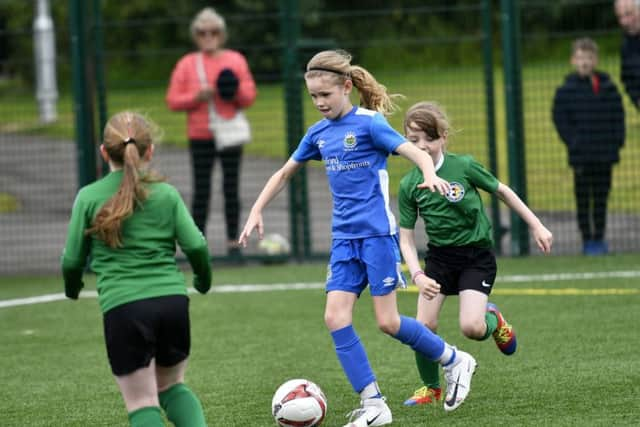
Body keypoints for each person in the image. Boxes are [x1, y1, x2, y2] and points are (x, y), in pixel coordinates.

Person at [238, 50, 477, 427]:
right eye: (313, 96)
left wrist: (429, 172)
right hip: (343, 240)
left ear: (346, 87)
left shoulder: (369, 124)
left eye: (325, 95)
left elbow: (414, 151)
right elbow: (285, 172)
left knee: (389, 322)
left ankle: (454, 359)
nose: (319, 103)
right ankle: (374, 405)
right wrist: (256, 210)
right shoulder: (317, 134)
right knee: (335, 318)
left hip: (377, 237)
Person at [397, 101, 553, 408]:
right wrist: (417, 274)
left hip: (475, 257)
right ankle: (431, 387)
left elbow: (503, 191)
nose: (422, 146)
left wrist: (536, 225)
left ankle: (493, 319)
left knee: (472, 328)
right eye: (413, 140)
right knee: (422, 326)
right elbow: (405, 238)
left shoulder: (463, 166)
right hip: (439, 259)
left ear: (443, 137)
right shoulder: (409, 184)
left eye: (428, 138)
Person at [61, 111, 212, 427]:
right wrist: (201, 279)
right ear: (150, 151)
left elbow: (72, 260)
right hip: (172, 302)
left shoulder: (88, 197)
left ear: (104, 153)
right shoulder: (166, 194)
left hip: (124, 307)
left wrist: (72, 288)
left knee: (142, 402)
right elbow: (196, 246)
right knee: (172, 387)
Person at [166, 7, 257, 257]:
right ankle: (198, 241)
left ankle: (232, 241)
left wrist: (231, 90)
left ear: (222, 34)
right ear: (195, 35)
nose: (208, 36)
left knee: (231, 187)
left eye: (213, 32)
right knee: (201, 189)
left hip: (229, 134)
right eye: (202, 32)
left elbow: (249, 96)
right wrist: (197, 97)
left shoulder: (235, 60)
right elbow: (173, 100)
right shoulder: (187, 64)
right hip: (200, 135)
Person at [552, 37, 625, 255]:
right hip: (581, 156)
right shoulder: (566, 90)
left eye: (589, 57)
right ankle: (586, 238)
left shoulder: (608, 87)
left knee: (601, 197)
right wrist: (573, 142)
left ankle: (599, 238)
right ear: (573, 60)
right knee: (583, 197)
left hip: (605, 154)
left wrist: (616, 142)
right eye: (581, 58)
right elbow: (560, 119)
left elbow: (618, 117)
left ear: (596, 60)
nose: (585, 62)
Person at [615, 0, 640, 107]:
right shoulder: (626, 46)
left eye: (628, 14)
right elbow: (627, 79)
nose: (624, 22)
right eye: (620, 17)